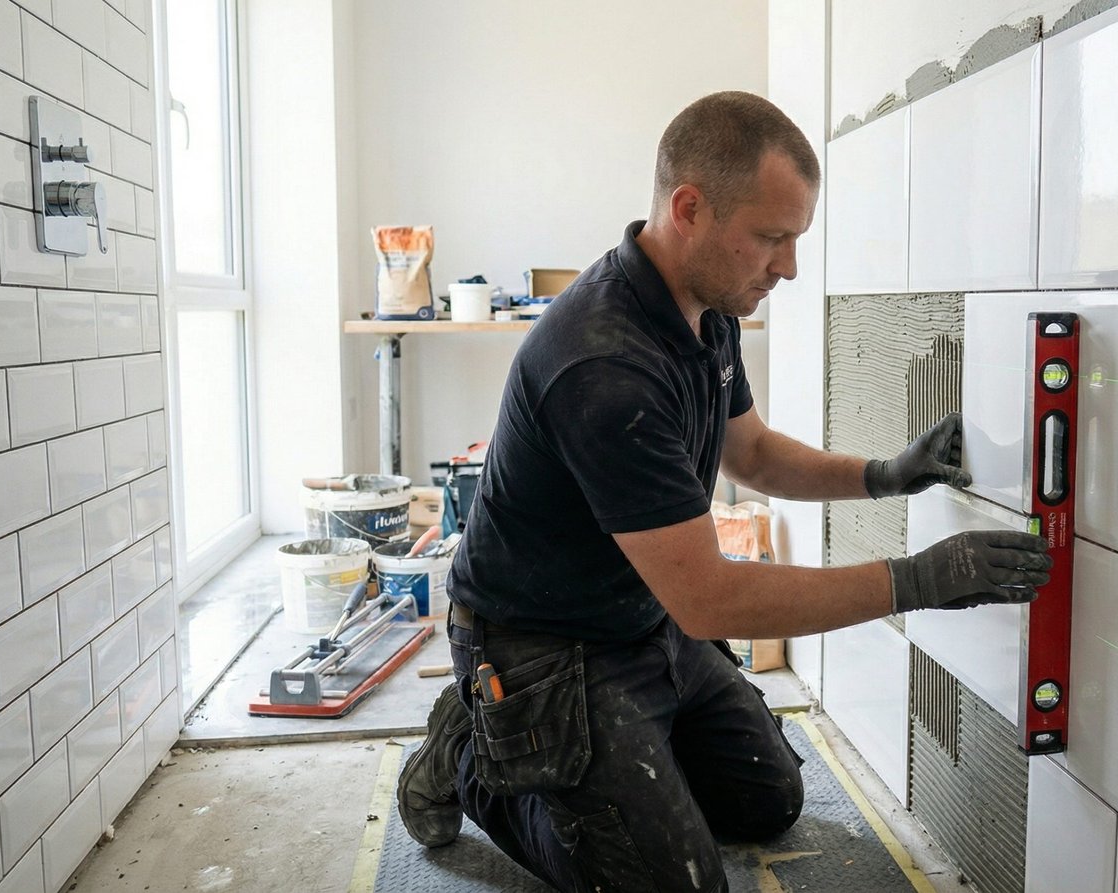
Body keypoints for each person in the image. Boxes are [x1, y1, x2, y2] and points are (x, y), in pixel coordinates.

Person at [396, 91, 1050, 892]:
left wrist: (884, 475)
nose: (789, 266)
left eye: (795, 238)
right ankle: (472, 751)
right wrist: (916, 581)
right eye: (772, 238)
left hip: (641, 616)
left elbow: (755, 453)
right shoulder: (605, 367)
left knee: (767, 800)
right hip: (543, 643)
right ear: (689, 209)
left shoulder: (707, 310)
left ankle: (614, 748)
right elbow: (709, 598)